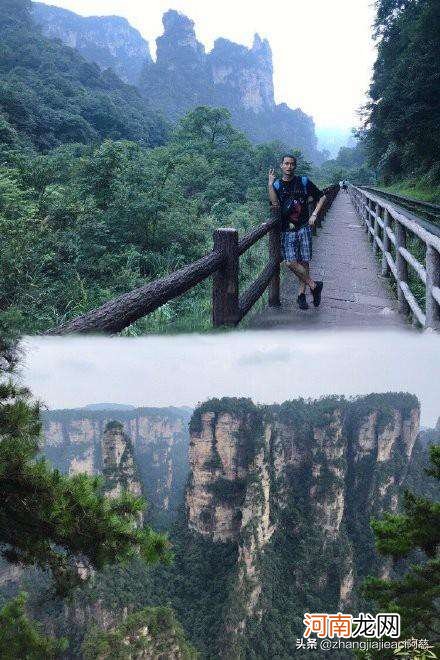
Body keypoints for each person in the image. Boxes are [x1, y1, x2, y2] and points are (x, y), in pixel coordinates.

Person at [268, 154, 327, 310]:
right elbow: (274, 204)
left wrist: (314, 214)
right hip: (287, 230)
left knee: (304, 261)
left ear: (295, 166)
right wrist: (270, 184)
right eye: (286, 164)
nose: (289, 166)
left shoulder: (303, 182)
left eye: (292, 164)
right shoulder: (278, 186)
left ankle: (301, 295)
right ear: (281, 166)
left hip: (303, 228)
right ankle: (314, 285)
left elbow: (322, 197)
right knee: (290, 262)